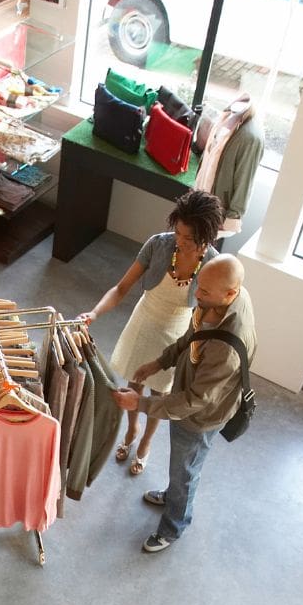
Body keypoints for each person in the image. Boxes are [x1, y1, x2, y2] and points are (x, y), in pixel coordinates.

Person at [111, 254, 256, 553]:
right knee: (181, 467)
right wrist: (159, 363)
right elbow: (194, 334)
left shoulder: (225, 348)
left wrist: (139, 404)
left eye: (204, 291)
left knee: (186, 470)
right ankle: (172, 495)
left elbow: (193, 402)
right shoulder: (224, 299)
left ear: (230, 293)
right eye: (198, 285)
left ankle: (173, 526)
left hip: (200, 417)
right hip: (193, 401)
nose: (196, 294)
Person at [79, 190, 224, 476]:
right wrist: (94, 313)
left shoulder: (213, 265)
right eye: (178, 233)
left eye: (188, 239)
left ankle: (146, 441)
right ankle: (132, 429)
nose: (179, 242)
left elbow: (212, 314)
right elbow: (121, 289)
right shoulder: (158, 245)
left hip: (178, 332)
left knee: (162, 392)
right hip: (143, 322)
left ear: (206, 239)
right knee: (134, 382)